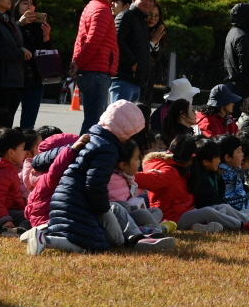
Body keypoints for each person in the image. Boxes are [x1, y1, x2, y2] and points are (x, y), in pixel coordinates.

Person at [42, 101, 176, 253]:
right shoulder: (107, 149)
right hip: (79, 201)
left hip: (67, 198)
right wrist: (103, 210)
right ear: (125, 130)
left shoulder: (90, 139)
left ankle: (139, 236)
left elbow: (46, 158)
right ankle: (46, 240)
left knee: (85, 234)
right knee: (95, 243)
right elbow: (95, 184)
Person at [71, 0, 120, 134]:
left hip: (91, 71)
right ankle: (81, 155)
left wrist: (77, 62)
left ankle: (81, 154)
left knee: (92, 119)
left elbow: (84, 40)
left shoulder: (91, 7)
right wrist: (78, 63)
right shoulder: (102, 11)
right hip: (96, 72)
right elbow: (92, 42)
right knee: (94, 122)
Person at [12, 0, 53, 129]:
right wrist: (19, 25)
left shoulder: (38, 27)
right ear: (16, 5)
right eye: (25, 3)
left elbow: (46, 56)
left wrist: (47, 38)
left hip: (34, 81)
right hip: (14, 80)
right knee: (6, 119)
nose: (29, 7)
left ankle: (25, 150)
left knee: (28, 125)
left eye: (32, 3)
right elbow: (7, 45)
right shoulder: (10, 24)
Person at [112, 0, 159, 104]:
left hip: (136, 82)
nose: (148, 3)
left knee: (128, 122)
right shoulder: (126, 16)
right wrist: (133, 63)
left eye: (151, 0)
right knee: (117, 120)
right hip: (124, 79)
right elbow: (117, 41)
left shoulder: (142, 21)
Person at [223, 2, 249, 99]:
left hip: (230, 85)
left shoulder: (231, 33)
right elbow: (245, 65)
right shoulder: (242, 36)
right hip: (241, 89)